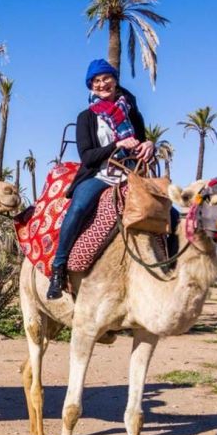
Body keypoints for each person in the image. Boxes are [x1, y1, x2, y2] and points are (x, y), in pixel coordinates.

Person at [46, 59, 154, 299]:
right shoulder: (86, 117)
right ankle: (58, 268)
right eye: (97, 80)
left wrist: (149, 145)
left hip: (130, 175)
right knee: (79, 208)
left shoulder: (132, 112)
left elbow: (142, 140)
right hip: (100, 174)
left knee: (168, 211)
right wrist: (117, 144)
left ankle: (169, 269)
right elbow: (87, 156)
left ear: (115, 80)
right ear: (91, 86)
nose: (102, 83)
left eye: (106, 78)